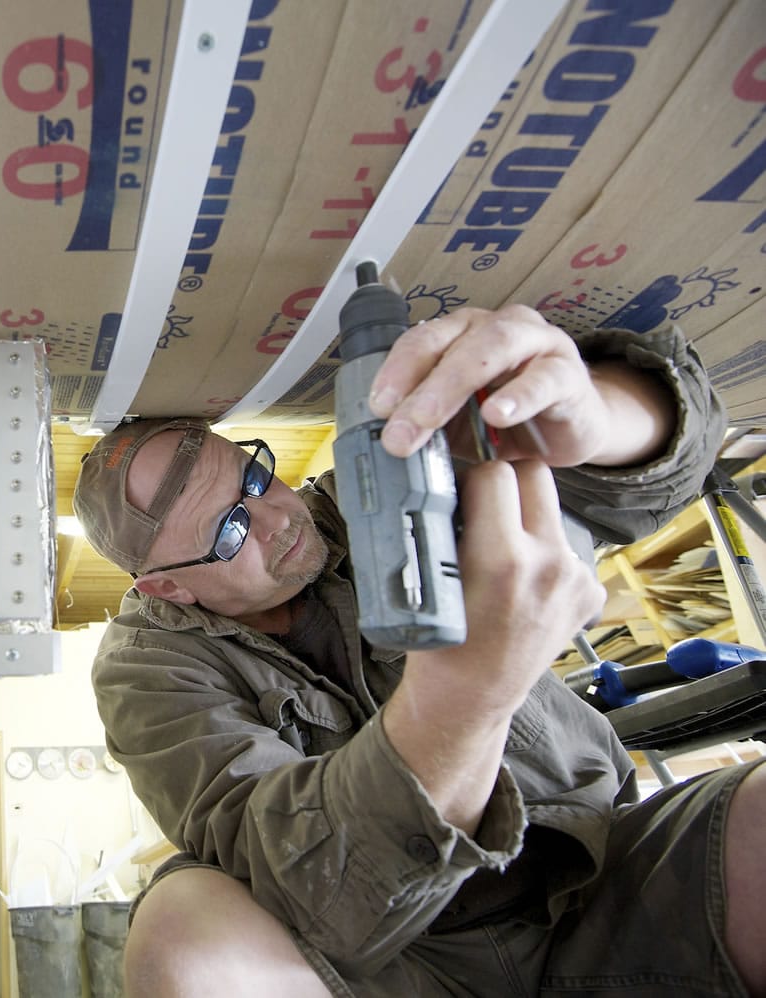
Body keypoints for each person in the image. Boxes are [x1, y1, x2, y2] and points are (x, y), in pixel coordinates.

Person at [72, 305, 763, 997]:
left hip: (602, 875)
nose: (277, 518)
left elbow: (645, 479)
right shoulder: (144, 669)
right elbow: (301, 880)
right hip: (403, 967)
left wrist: (601, 416)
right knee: (181, 933)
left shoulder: (372, 492)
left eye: (253, 479)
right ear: (169, 587)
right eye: (228, 531)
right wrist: (463, 698)